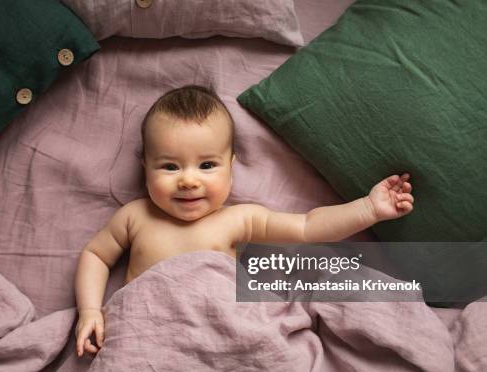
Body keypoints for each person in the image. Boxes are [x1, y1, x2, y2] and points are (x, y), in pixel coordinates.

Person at [74, 85, 414, 357]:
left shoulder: (239, 219)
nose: (189, 180)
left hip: (222, 336)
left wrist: (368, 209)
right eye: (170, 166)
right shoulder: (135, 216)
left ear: (231, 167)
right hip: (147, 336)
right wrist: (90, 310)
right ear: (145, 167)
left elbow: (309, 227)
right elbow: (96, 255)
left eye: (207, 165)